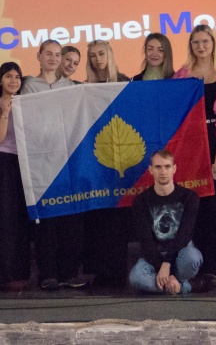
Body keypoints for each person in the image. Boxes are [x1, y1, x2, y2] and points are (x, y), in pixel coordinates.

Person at [173, 24, 216, 279]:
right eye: (196, 42)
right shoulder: (181, 75)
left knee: (215, 208)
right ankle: (192, 268)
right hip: (189, 146)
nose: (201, 46)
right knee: (192, 206)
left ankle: (213, 270)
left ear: (213, 44)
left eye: (205, 41)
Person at [21, 41, 84, 290]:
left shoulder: (70, 87)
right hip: (40, 161)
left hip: (67, 160)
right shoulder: (28, 86)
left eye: (58, 55)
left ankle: (69, 273)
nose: (53, 58)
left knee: (69, 218)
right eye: (48, 54)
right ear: (38, 56)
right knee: (46, 219)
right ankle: (47, 274)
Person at [129, 150, 216, 295]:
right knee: (136, 278)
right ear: (151, 170)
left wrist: (167, 266)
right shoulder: (141, 201)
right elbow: (146, 241)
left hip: (181, 251)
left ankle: (167, 284)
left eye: (167, 166)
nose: (163, 171)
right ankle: (187, 286)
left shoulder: (189, 197)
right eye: (158, 167)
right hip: (154, 254)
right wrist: (163, 269)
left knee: (193, 258)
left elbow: (185, 234)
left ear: (174, 169)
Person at [82, 40, 130, 286]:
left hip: (120, 158)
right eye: (92, 55)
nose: (97, 59)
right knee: (97, 216)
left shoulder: (125, 82)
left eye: (101, 54)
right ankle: (100, 272)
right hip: (94, 158)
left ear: (110, 55)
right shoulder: (84, 88)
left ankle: (118, 270)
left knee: (117, 217)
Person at [0, 62, 31, 291]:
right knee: (5, 220)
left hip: (22, 164)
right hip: (1, 164)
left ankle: (21, 272)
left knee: (21, 219)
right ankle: (6, 272)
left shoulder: (26, 104)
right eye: (8, 76)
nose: (13, 81)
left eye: (17, 77)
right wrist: (6, 113)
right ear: (0, 80)